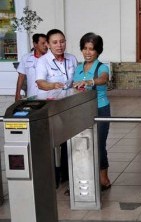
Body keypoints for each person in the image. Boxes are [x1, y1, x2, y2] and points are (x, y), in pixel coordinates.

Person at [35, 29, 78, 192]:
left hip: (68, 104)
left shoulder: (72, 59)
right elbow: (40, 83)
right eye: (55, 42)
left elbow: (76, 79)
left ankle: (67, 174)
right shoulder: (43, 61)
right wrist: (52, 85)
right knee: (52, 142)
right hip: (50, 106)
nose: (59, 45)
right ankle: (52, 175)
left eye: (62, 41)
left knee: (68, 138)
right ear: (48, 44)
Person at [73, 32, 112, 191]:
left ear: (98, 51)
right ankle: (83, 177)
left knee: (99, 143)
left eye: (92, 49)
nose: (88, 52)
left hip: (100, 108)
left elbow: (103, 79)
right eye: (85, 48)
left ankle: (104, 178)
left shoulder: (102, 67)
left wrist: (90, 81)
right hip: (81, 109)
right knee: (82, 143)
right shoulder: (78, 68)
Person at [15, 33, 47, 101]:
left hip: (48, 96)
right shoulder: (26, 58)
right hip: (31, 96)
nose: (45, 46)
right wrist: (17, 93)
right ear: (35, 44)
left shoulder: (51, 58)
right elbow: (21, 77)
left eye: (46, 43)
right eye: (43, 43)